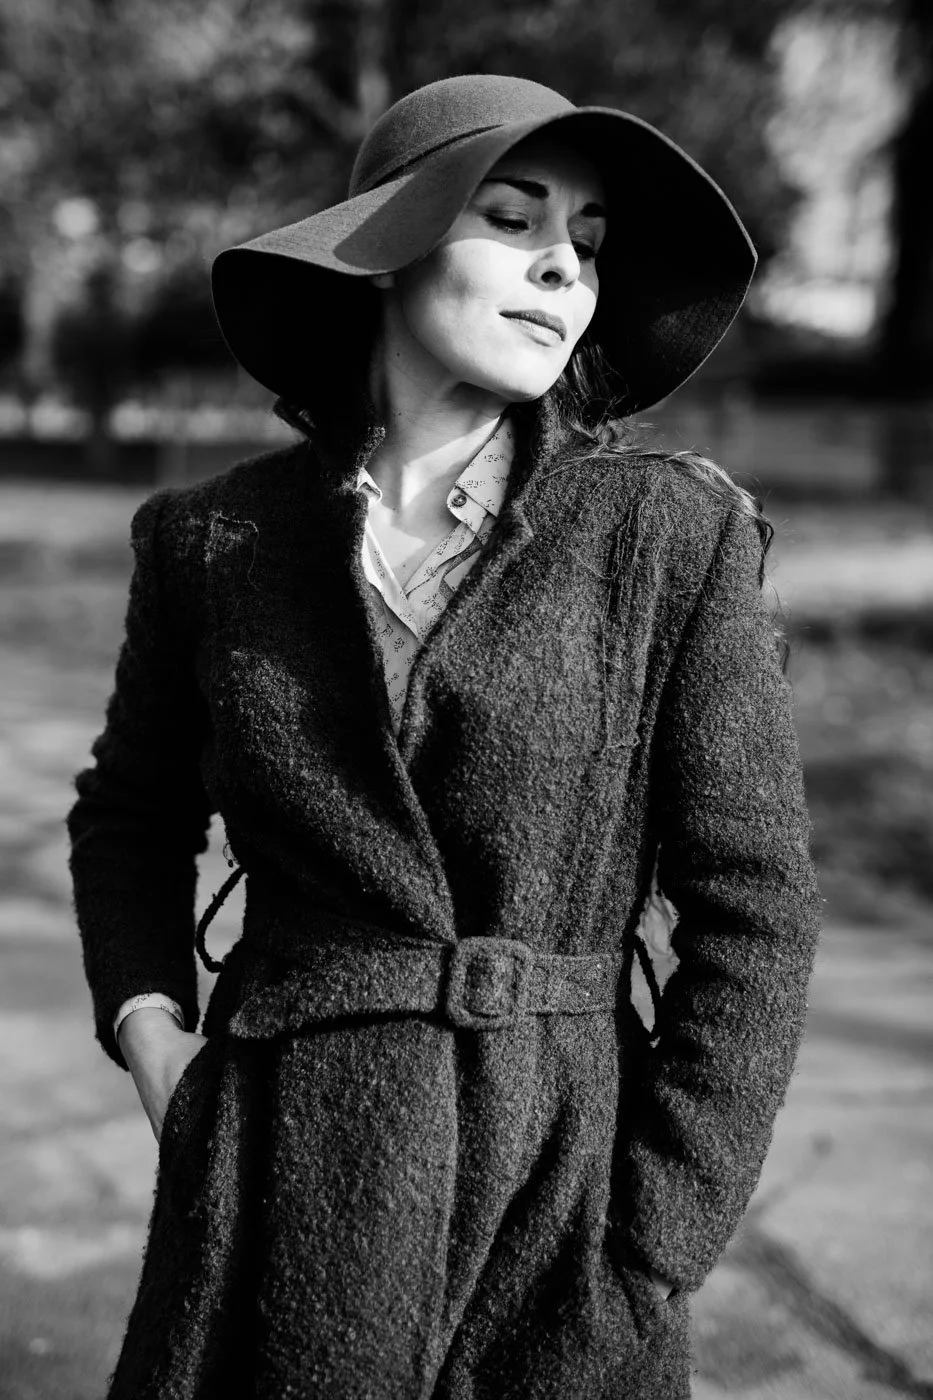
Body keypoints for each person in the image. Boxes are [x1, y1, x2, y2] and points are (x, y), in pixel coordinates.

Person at [66, 73, 822, 1400]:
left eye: (586, 243)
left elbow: (754, 908)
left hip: (562, 1206)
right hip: (274, 1180)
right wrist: (155, 1044)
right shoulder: (210, 541)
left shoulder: (670, 541)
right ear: (386, 254)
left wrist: (651, 1243)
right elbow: (129, 813)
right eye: (512, 218)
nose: (561, 266)